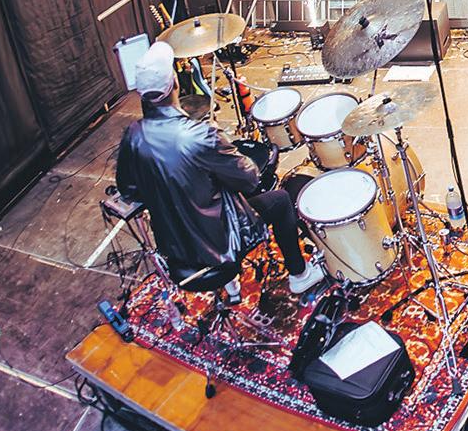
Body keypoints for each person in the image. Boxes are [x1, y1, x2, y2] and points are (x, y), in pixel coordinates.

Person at [116, 43, 325, 297]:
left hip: (175, 250)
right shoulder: (200, 135)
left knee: (203, 194)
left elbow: (129, 191)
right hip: (221, 245)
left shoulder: (132, 136)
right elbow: (250, 179)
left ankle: (230, 285)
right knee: (280, 200)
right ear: (174, 84)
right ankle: (300, 276)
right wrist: (221, 147)